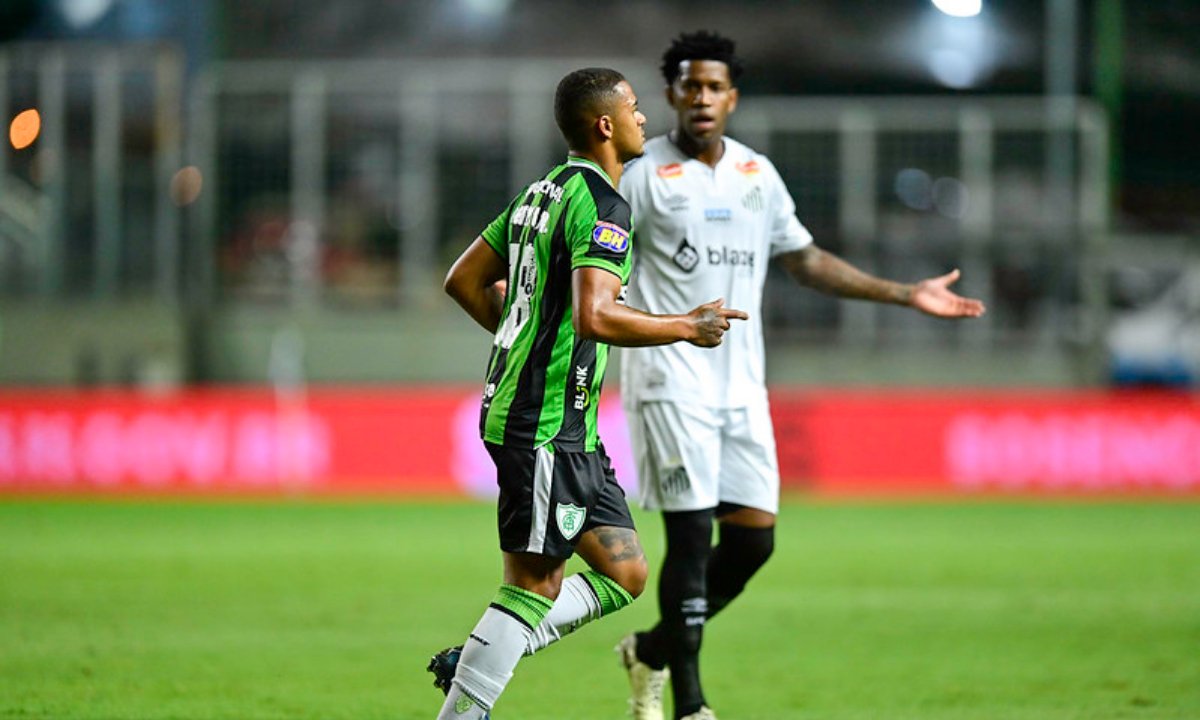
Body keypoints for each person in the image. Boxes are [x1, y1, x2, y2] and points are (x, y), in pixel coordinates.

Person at [614, 32, 987, 720]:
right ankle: (689, 705)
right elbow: (595, 269)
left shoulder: (757, 173)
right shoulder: (637, 175)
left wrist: (906, 293)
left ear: (733, 97)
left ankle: (653, 650)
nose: (702, 98)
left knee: (754, 541)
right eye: (690, 85)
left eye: (715, 86)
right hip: (668, 377)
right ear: (670, 93)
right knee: (691, 540)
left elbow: (806, 260)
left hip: (742, 384)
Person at [431, 66, 749, 720]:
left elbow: (464, 279)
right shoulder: (604, 205)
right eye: (633, 109)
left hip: (566, 427)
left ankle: (483, 654)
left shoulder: (542, 192)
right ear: (606, 125)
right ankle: (464, 709)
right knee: (534, 585)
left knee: (626, 574)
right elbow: (595, 316)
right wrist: (685, 326)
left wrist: (520, 339)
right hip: (542, 423)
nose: (643, 118)